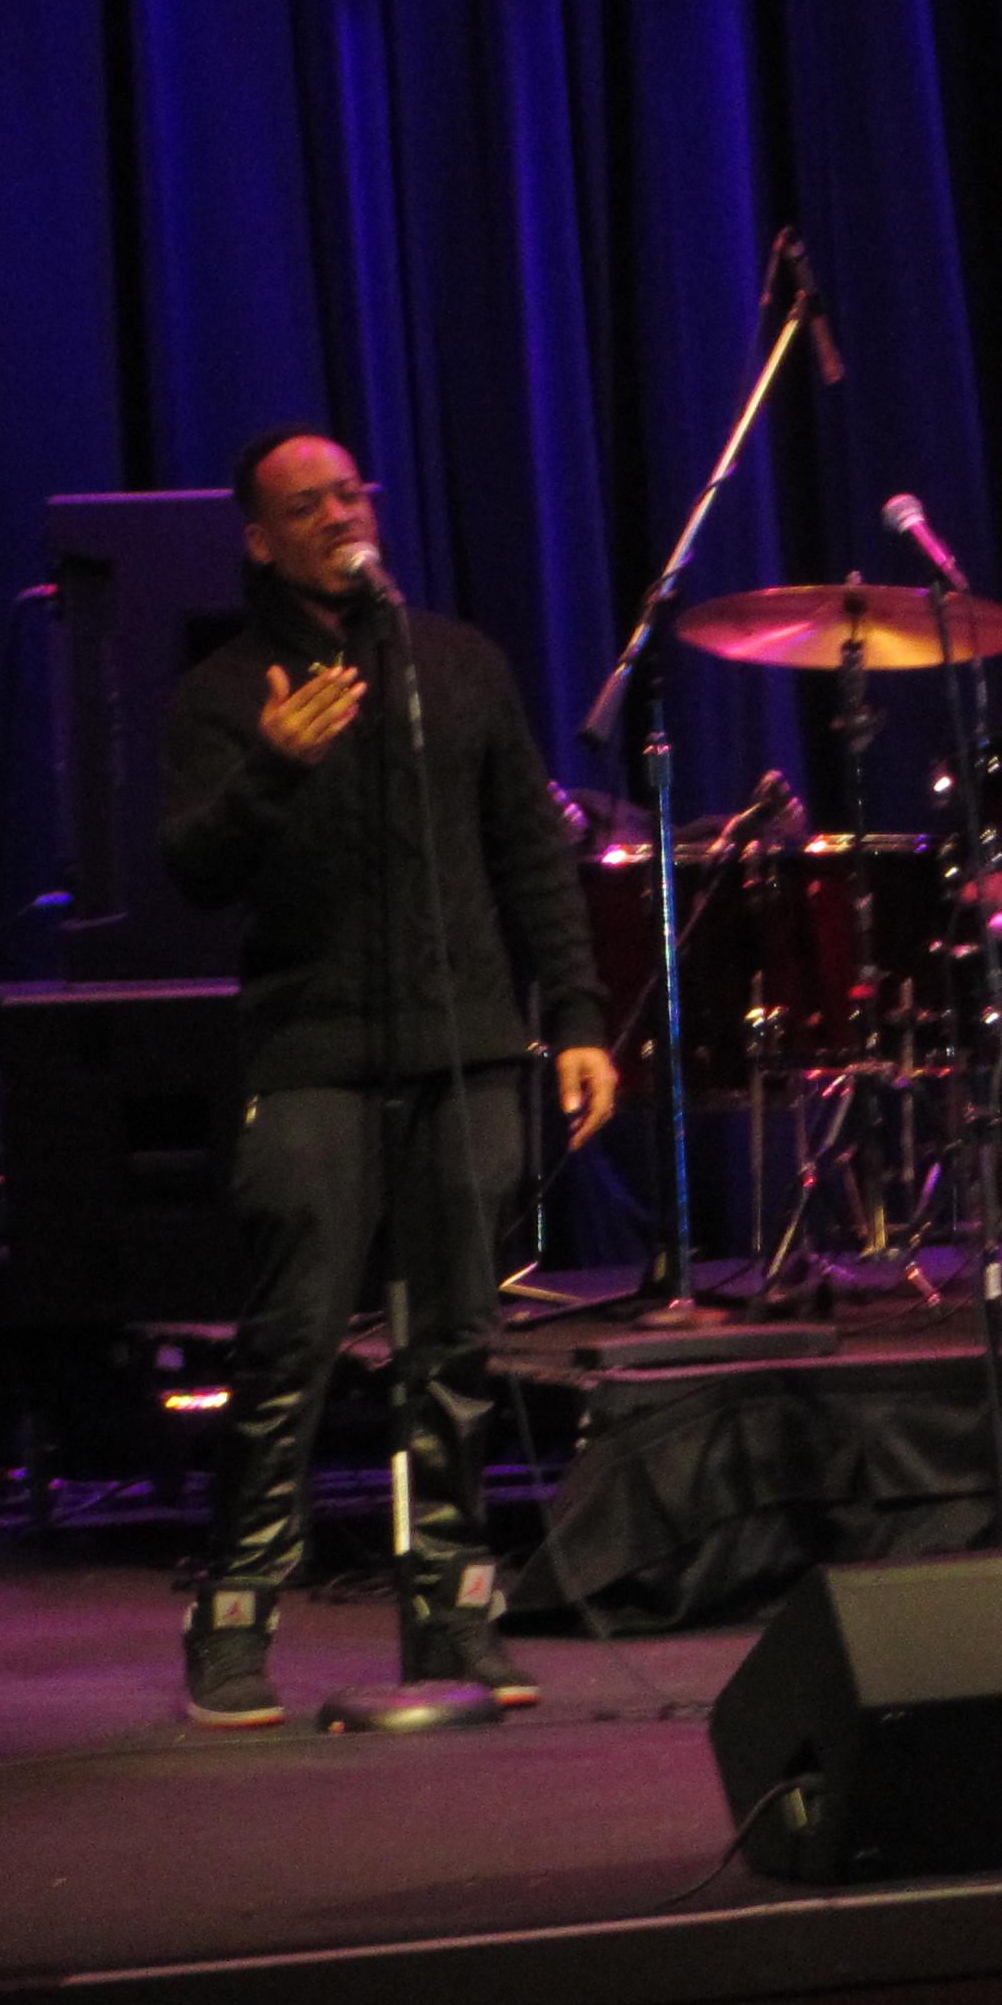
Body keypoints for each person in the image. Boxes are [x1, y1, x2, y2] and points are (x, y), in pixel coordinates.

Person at [160, 432, 618, 1724]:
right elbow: (192, 873)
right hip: (311, 1058)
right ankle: (234, 1621)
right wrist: (272, 769)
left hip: (466, 1053)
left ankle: (452, 1620)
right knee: (289, 1346)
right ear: (261, 540)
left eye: (349, 494)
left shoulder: (454, 665)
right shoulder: (227, 691)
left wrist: (576, 1016)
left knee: (455, 1348)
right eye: (303, 506)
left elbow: (529, 852)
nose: (336, 515)